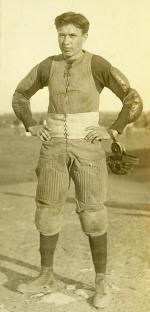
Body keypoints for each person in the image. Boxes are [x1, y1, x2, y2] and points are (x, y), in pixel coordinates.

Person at [12, 12, 143, 308]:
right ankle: (46, 276)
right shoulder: (48, 65)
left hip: (88, 147)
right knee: (46, 211)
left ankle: (101, 281)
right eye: (61, 34)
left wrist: (112, 129)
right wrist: (31, 124)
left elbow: (133, 98)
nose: (66, 40)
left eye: (72, 35)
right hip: (53, 146)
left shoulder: (97, 64)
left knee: (93, 214)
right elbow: (20, 94)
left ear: (85, 36)